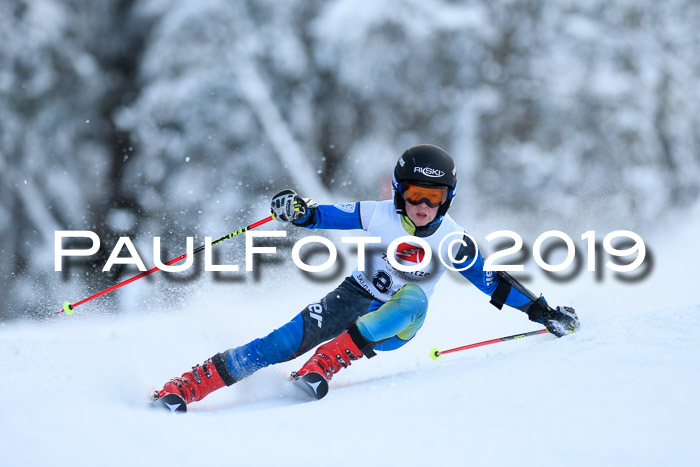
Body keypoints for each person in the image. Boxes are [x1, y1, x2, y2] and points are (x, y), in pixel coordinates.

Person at [153, 144, 580, 407]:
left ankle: (325, 363)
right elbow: (322, 214)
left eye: (434, 197)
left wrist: (542, 312)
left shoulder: (452, 240)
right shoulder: (377, 214)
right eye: (414, 194)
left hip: (399, 321)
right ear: (399, 191)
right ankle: (189, 386)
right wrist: (297, 210)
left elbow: (495, 282)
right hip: (353, 296)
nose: (423, 205)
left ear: (448, 200)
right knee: (281, 342)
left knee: (413, 298)